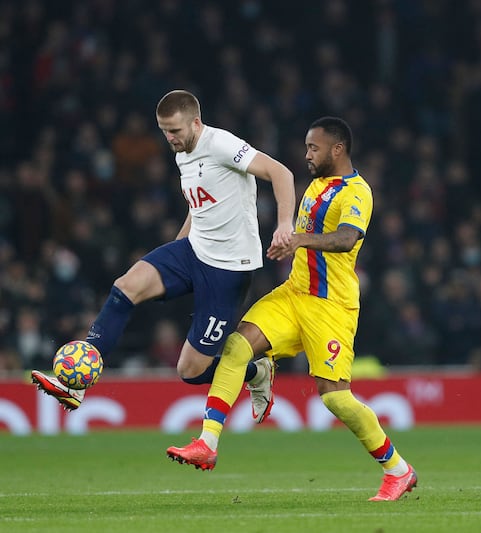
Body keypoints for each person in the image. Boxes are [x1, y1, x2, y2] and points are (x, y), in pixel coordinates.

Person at [166, 117, 417, 502]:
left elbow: (347, 239)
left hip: (330, 306)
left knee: (335, 397)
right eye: (305, 147)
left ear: (338, 149)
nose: (307, 155)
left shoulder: (357, 192)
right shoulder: (316, 185)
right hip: (293, 294)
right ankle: (207, 442)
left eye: (313, 148)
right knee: (236, 346)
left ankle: (398, 470)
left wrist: (297, 239)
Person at [32, 90, 296, 413]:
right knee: (125, 286)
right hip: (194, 251)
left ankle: (257, 372)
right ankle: (77, 384)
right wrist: (175, 249)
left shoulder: (222, 145)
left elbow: (282, 173)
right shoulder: (182, 151)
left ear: (196, 123)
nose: (169, 138)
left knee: (190, 371)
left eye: (175, 130)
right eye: (164, 131)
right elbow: (199, 206)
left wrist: (285, 225)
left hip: (229, 269)